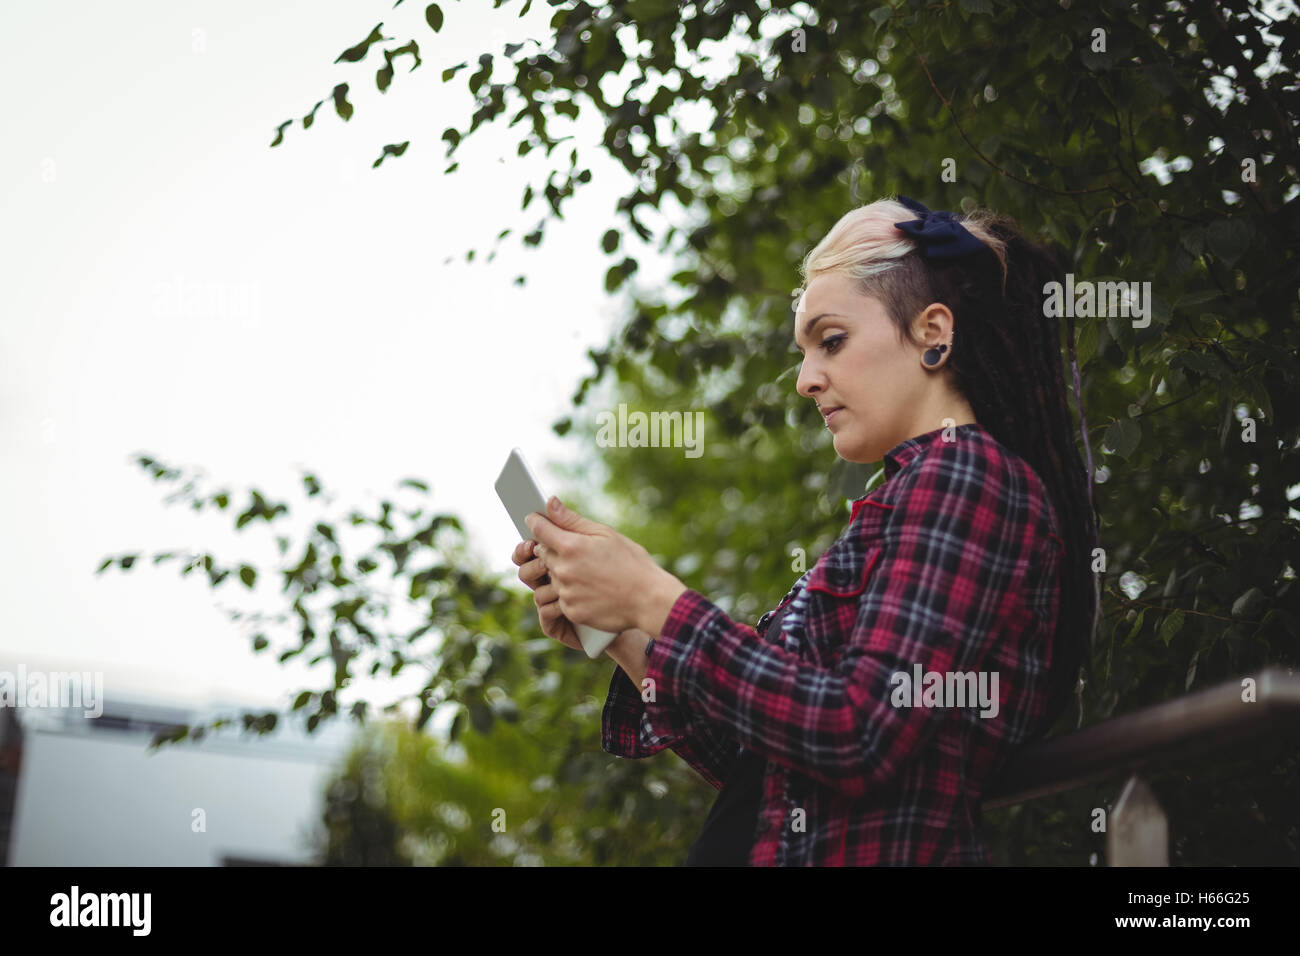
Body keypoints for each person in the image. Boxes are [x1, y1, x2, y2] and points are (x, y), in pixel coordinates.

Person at [512, 195, 1101, 865]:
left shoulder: (967, 477)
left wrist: (654, 597)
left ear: (934, 332)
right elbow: (763, 761)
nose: (805, 381)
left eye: (832, 340)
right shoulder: (902, 499)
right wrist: (620, 631)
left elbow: (858, 735)